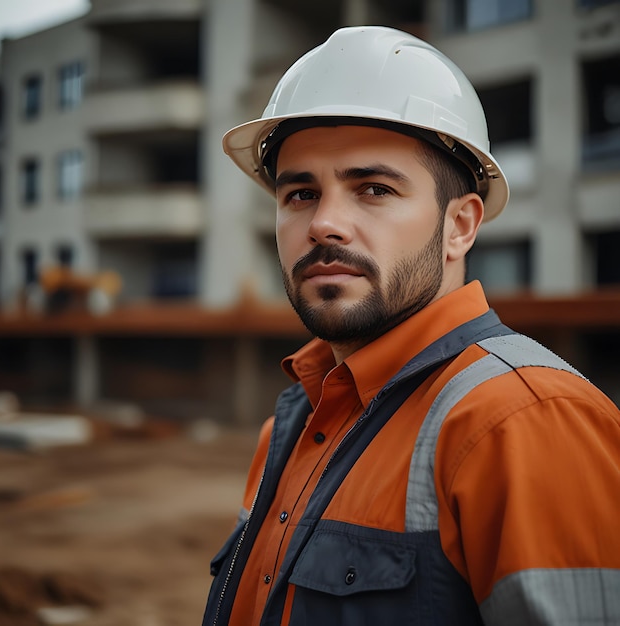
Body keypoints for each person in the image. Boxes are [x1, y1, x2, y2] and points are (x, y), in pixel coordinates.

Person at [202, 25, 620, 626]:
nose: (325, 224)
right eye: (300, 194)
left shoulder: (522, 420)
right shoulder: (289, 427)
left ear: (460, 227)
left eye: (372, 189)